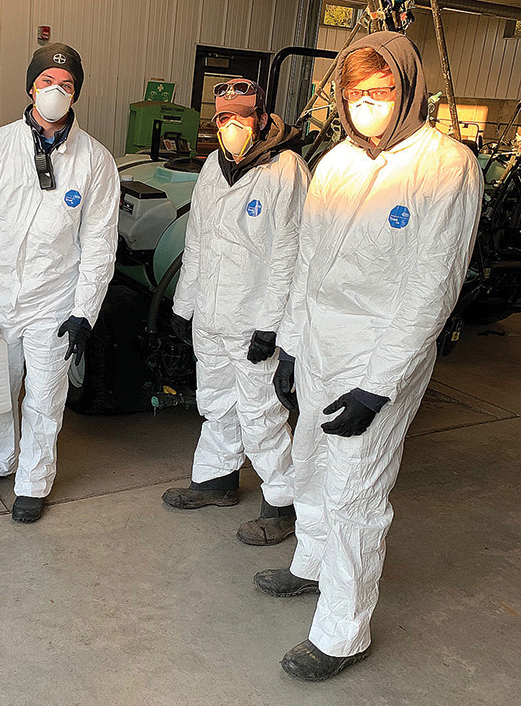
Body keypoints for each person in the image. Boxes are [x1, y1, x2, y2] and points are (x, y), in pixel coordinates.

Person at [261, 32, 483, 680]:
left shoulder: (445, 167)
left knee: (356, 486)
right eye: (357, 94)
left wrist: (379, 386)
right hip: (322, 339)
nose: (367, 105)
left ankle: (342, 632)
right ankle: (309, 565)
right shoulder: (335, 165)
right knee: (309, 462)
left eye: (381, 92)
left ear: (408, 90)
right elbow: (306, 266)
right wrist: (291, 350)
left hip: (382, 350)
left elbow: (431, 289)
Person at [0, 43, 120, 523]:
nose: (56, 92)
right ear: (31, 86)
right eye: (47, 82)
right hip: (0, 296)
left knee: (46, 395)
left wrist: (84, 311)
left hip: (56, 299)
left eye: (66, 85)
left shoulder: (96, 161)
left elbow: (100, 244)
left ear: (76, 95)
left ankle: (32, 481)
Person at [161, 79, 310, 546]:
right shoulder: (212, 165)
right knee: (215, 402)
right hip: (210, 315)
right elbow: (197, 242)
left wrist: (272, 327)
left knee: (261, 414)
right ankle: (216, 481)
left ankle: (281, 505)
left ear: (262, 118)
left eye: (242, 116)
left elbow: (292, 254)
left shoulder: (287, 170)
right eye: (223, 117)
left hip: (253, 324)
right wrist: (182, 308)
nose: (232, 126)